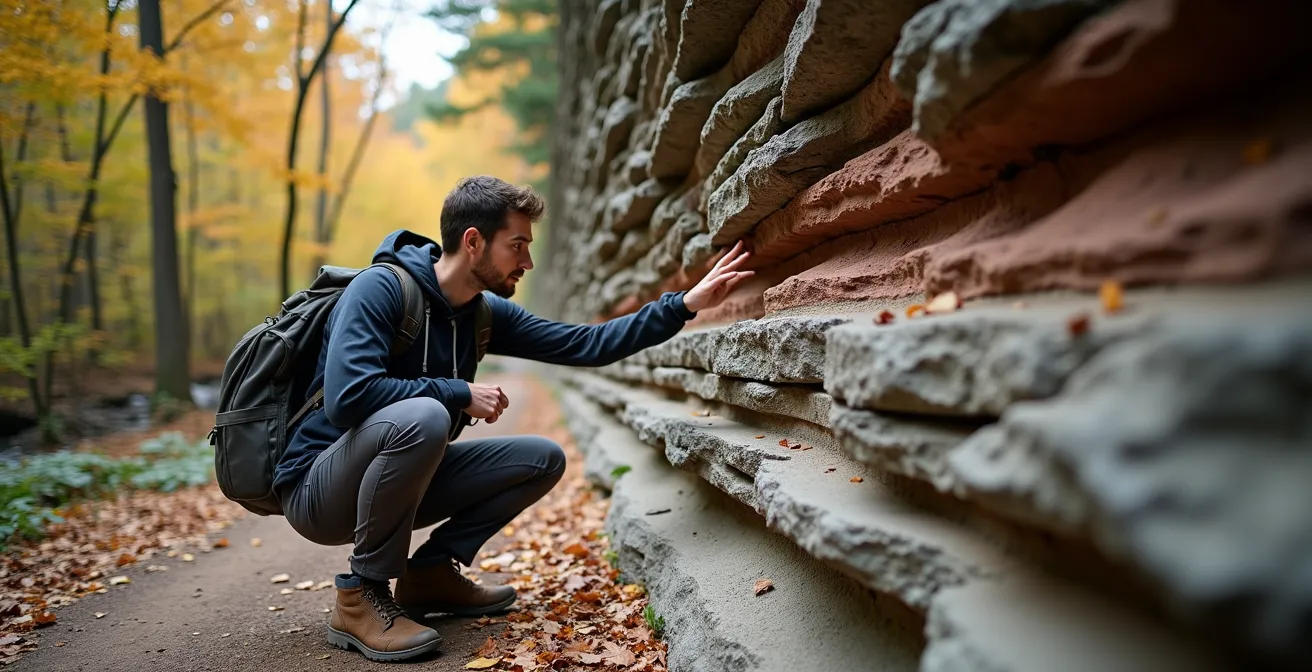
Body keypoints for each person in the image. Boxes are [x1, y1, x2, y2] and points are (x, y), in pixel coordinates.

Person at [271, 175, 752, 662]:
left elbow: (585, 345)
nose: (527, 261)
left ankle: (431, 574)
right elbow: (349, 397)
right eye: (516, 245)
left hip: (395, 478)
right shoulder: (380, 289)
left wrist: (683, 305)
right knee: (426, 416)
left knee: (542, 459)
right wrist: (456, 392)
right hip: (318, 487)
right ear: (473, 242)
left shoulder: (482, 313)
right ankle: (360, 595)